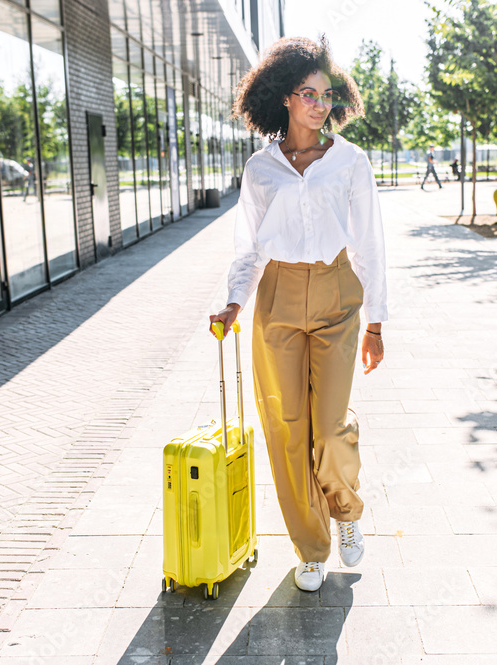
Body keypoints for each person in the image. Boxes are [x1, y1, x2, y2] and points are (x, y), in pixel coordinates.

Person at [209, 35, 387, 593]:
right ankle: (310, 548)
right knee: (286, 430)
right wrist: (234, 300)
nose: (319, 104)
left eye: (327, 94)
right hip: (278, 298)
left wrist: (376, 322)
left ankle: (346, 510)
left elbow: (371, 244)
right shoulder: (261, 169)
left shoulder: (350, 162)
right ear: (282, 98)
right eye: (307, 93)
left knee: (330, 427)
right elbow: (250, 246)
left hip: (337, 291)